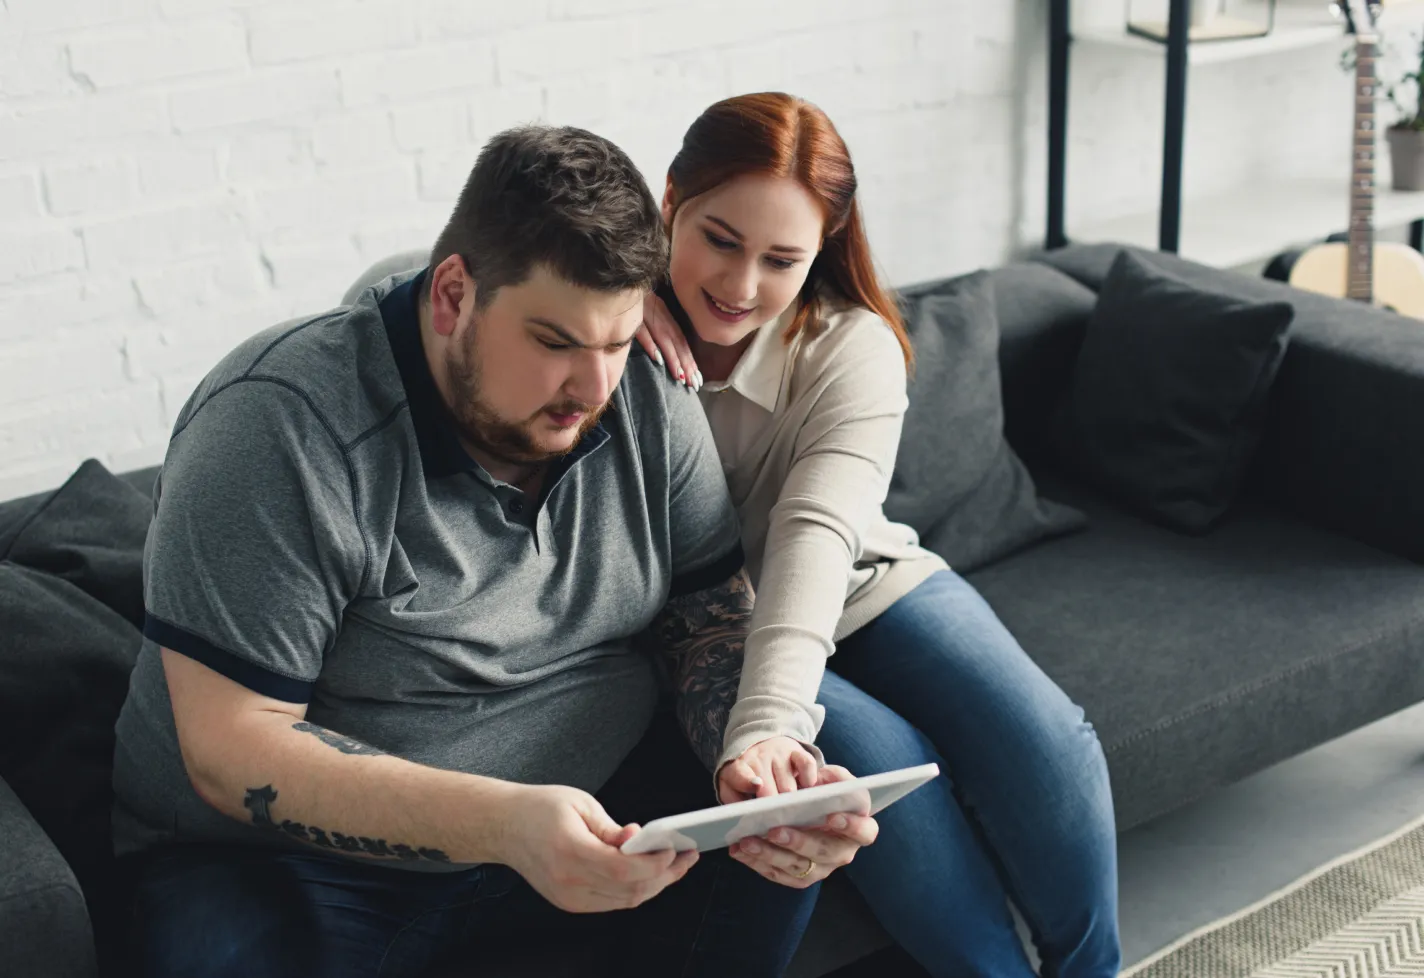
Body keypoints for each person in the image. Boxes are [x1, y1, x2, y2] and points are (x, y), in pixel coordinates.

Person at [109, 124, 878, 978]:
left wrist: (749, 760)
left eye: (617, 343)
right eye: (555, 343)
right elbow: (232, 750)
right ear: (451, 296)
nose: (593, 392)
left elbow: (708, 618)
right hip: (298, 862)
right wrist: (501, 824)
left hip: (597, 809)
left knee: (777, 839)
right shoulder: (278, 425)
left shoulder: (648, 390)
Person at [636, 92, 1123, 977]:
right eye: (718, 239)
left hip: (861, 577)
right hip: (724, 626)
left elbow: (818, 536)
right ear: (670, 200)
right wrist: (621, 286)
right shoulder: (602, 327)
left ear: (823, 248)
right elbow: (443, 277)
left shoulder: (852, 344)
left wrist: (769, 716)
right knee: (880, 786)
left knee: (1050, 743)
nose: (741, 286)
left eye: (782, 258)